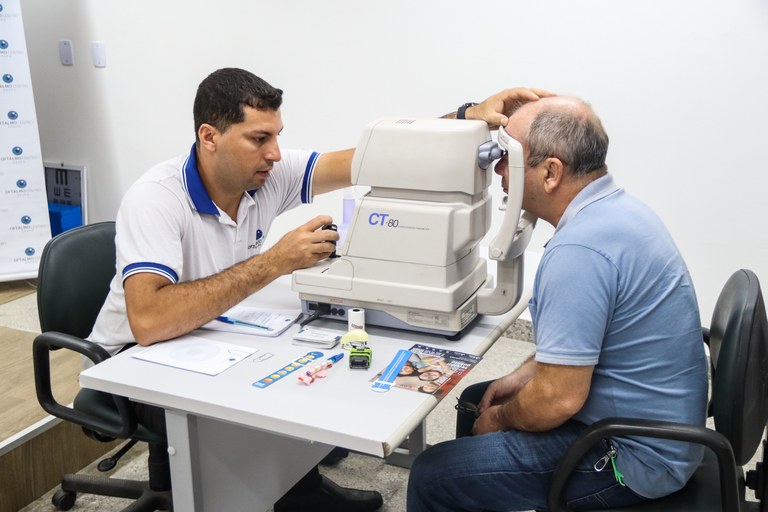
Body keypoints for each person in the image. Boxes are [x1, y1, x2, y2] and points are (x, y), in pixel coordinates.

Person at [87, 67, 376, 512]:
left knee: (305, 359)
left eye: (277, 136)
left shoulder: (262, 176)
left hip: (205, 334)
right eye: (259, 139)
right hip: (128, 362)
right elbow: (148, 322)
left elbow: (372, 157)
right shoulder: (156, 199)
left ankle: (301, 488)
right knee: (261, 405)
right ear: (210, 136)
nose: (275, 154)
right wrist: (274, 262)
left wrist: (465, 114)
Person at [406, 94, 708, 511]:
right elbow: (581, 344)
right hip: (654, 430)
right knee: (479, 396)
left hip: (631, 457)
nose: (497, 170)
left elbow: (558, 400)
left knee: (434, 473)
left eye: (507, 157)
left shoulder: (580, 250)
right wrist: (517, 379)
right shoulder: (616, 212)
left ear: (551, 172)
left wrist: (499, 420)